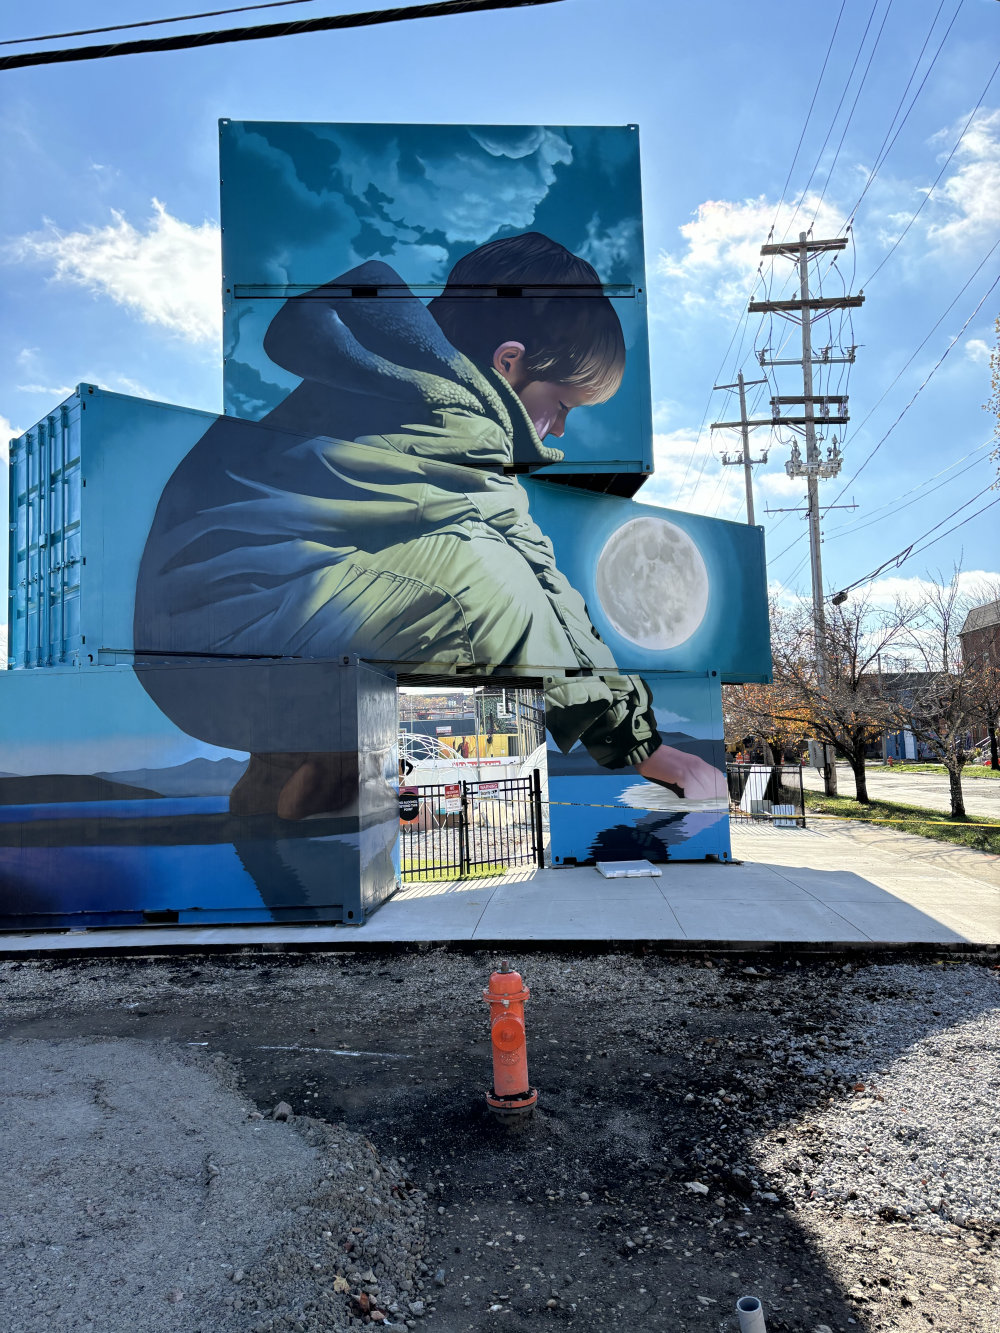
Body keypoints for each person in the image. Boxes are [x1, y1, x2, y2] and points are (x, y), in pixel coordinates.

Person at [134, 232, 723, 815]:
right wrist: (640, 748)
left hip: (206, 645)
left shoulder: (389, 382)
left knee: (462, 572)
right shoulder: (448, 419)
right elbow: (533, 580)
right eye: (563, 405)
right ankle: (358, 773)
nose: (560, 429)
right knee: (485, 590)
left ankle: (302, 770)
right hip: (229, 650)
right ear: (510, 361)